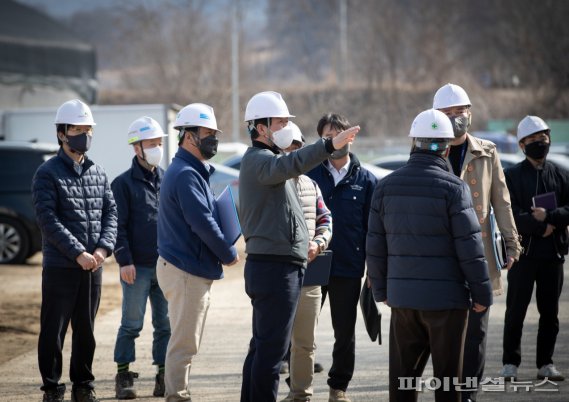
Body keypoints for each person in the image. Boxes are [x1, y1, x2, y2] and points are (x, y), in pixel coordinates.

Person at [239, 91, 359, 402]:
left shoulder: (269, 164)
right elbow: (291, 163)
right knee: (271, 352)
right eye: (279, 122)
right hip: (274, 269)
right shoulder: (260, 161)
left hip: (278, 268)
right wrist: (328, 146)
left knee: (262, 347)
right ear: (260, 128)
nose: (284, 127)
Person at [366, 108, 493, 402]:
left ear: (413, 142)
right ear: (447, 148)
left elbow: (375, 245)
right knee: (448, 383)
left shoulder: (385, 187)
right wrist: (482, 294)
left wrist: (383, 290)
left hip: (403, 300)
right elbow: (470, 247)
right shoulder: (454, 188)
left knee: (403, 381)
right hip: (447, 303)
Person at [433, 83, 521, 402]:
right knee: (444, 330)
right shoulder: (428, 150)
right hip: (441, 255)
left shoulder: (487, 151)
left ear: (470, 113)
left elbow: (502, 200)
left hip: (479, 253)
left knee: (477, 331)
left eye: (462, 111)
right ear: (436, 117)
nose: (457, 118)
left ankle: (468, 393)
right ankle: (448, 392)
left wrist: (512, 243)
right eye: (449, 113)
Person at [32, 99, 118, 402]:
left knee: (86, 329)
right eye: (77, 129)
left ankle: (83, 385)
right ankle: (52, 388)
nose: (84, 134)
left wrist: (103, 249)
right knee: (53, 331)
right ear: (62, 134)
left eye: (87, 129)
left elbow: (111, 213)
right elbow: (48, 220)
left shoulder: (98, 172)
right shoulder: (47, 173)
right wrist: (77, 253)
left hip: (93, 266)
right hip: (61, 267)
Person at [156, 103, 239, 402]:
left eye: (213, 133)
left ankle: (179, 392)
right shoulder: (186, 175)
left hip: (185, 267)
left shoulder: (190, 170)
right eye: (207, 133)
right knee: (184, 343)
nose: (212, 139)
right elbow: (202, 223)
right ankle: (177, 395)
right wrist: (228, 252)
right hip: (185, 270)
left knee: (186, 340)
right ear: (188, 136)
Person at [306, 113, 377, 402]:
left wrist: (374, 267)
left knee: (344, 332)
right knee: (302, 328)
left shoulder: (366, 180)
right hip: (313, 263)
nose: (334, 140)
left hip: (349, 266)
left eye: (340, 134)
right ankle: (300, 384)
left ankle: (339, 387)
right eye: (328, 136)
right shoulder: (308, 174)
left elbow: (374, 229)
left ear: (351, 137)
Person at [501, 115, 568, 382]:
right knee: (515, 310)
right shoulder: (512, 176)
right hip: (523, 254)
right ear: (521, 145)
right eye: (532, 141)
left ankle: (546, 363)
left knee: (549, 312)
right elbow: (509, 213)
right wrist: (539, 226)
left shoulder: (561, 175)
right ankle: (510, 363)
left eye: (543, 139)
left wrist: (551, 218)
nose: (539, 144)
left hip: (553, 255)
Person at [111, 117, 171, 399]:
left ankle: (162, 376)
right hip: (137, 267)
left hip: (167, 266)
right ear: (137, 148)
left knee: (165, 325)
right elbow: (117, 227)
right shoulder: (122, 184)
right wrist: (124, 260)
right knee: (131, 323)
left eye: (159, 143)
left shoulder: (168, 178)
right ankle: (123, 376)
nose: (157, 148)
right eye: (152, 144)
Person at [280, 123, 333, 402]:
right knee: (273, 342)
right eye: (289, 147)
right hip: (278, 274)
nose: (294, 151)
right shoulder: (270, 184)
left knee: (305, 344)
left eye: (298, 146)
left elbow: (326, 219)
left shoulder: (312, 185)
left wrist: (319, 242)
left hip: (310, 274)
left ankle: (301, 394)